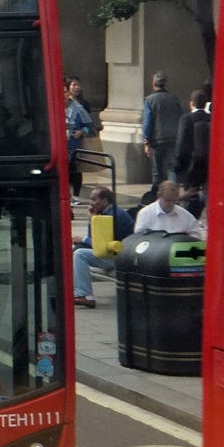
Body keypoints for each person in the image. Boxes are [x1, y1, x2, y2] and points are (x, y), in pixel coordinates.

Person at [71, 186, 135, 308]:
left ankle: (84, 294)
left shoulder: (112, 216)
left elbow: (100, 245)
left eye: (94, 199)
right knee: (78, 249)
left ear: (105, 201)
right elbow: (96, 239)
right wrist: (92, 220)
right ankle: (78, 290)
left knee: (80, 254)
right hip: (112, 253)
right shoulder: (106, 214)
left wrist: (84, 238)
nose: (90, 203)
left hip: (118, 257)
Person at [141, 71, 185, 193]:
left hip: (157, 140)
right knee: (172, 169)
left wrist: (146, 141)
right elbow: (181, 117)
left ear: (154, 83)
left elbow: (147, 122)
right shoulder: (174, 98)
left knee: (157, 171)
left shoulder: (149, 100)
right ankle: (173, 193)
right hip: (173, 138)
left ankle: (157, 195)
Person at [173, 88, 211, 217]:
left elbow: (181, 143)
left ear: (191, 103)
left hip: (191, 165)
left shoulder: (186, 119)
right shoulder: (211, 118)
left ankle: (191, 219)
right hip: (208, 165)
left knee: (191, 196)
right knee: (208, 194)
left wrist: (178, 163)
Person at [133, 180, 204, 238]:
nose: (170, 204)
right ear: (159, 195)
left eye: (174, 200)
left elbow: (196, 237)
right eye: (167, 200)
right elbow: (139, 239)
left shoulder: (186, 216)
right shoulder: (145, 214)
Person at [65, 76, 94, 205]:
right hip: (61, 145)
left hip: (74, 144)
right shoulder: (55, 105)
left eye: (65, 92)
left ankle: (75, 195)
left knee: (75, 169)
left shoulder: (79, 106)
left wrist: (82, 132)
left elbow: (89, 125)